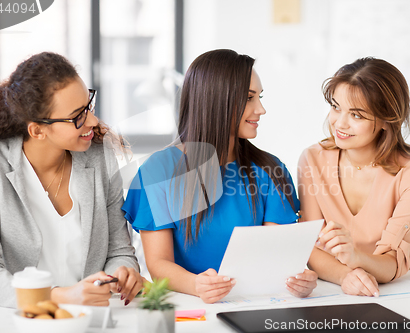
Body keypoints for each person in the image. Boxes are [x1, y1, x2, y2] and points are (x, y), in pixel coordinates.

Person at [123, 49, 317, 304]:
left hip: (257, 305)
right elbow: (159, 264)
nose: (261, 109)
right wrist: (197, 285)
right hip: (191, 307)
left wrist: (298, 281)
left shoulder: (271, 169)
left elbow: (276, 258)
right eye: (249, 98)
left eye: (259, 97)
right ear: (215, 101)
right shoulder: (158, 171)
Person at [0, 52, 144, 308]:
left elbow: (119, 251)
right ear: (37, 130)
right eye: (78, 116)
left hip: (91, 319)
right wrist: (60, 297)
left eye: (89, 106)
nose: (93, 121)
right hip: (19, 320)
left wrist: (121, 273)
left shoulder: (100, 156)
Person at [298, 57, 410, 297]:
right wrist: (346, 276)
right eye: (336, 107)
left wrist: (354, 257)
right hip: (343, 285)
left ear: (387, 120)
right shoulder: (312, 159)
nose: (339, 123)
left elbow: (393, 263)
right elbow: (309, 247)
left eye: (356, 115)